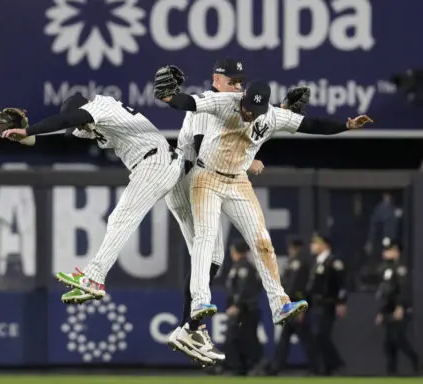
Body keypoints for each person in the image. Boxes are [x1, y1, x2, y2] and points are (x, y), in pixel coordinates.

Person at [154, 67, 372, 332]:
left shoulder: (272, 116)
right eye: (247, 107)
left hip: (237, 182)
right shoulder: (227, 102)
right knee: (206, 238)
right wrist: (169, 98)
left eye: (254, 111)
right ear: (243, 98)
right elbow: (190, 102)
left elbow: (311, 125)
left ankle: (280, 303)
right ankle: (200, 302)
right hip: (206, 177)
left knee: (262, 241)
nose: (248, 113)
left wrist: (346, 126)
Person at [0, 93, 183, 302]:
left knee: (120, 219)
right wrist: (28, 137)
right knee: (198, 233)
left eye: (81, 122)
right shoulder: (94, 121)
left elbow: (66, 120)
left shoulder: (101, 107)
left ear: (83, 110)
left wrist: (28, 130)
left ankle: (94, 277)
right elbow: (65, 129)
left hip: (156, 163)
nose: (82, 129)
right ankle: (196, 309)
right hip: (163, 163)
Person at [165, 58, 264, 365]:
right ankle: (189, 327)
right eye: (232, 81)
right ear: (216, 80)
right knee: (210, 257)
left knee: (209, 257)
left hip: (190, 179)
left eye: (240, 82)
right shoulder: (209, 103)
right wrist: (246, 162)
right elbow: (200, 144)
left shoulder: (227, 106)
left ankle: (190, 326)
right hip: (187, 178)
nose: (237, 87)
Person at [270, 236, 319, 375]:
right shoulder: (296, 260)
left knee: (306, 338)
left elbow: (298, 286)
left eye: (291, 247)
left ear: (294, 247)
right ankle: (276, 367)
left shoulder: (300, 261)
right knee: (286, 338)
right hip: (291, 306)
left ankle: (317, 368)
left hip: (296, 305)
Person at [375, 241, 420, 375]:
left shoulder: (400, 268)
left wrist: (400, 306)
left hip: (400, 308)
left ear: (396, 251)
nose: (385, 252)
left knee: (397, 338)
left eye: (388, 250)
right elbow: (386, 293)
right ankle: (391, 372)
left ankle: (415, 359)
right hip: (389, 308)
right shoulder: (386, 269)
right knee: (389, 343)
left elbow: (403, 289)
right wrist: (381, 311)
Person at [307, 233, 347, 375]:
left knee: (321, 334)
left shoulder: (333, 262)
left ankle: (336, 362)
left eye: (315, 243)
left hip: (328, 303)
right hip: (316, 304)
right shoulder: (317, 262)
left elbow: (342, 284)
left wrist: (341, 302)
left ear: (324, 245)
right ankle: (326, 368)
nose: (312, 246)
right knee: (317, 335)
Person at [221, 240, 263, 375]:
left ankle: (254, 365)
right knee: (239, 338)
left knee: (246, 338)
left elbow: (245, 289)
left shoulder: (245, 267)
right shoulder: (238, 266)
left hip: (246, 310)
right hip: (242, 308)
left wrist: (237, 305)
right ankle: (241, 367)